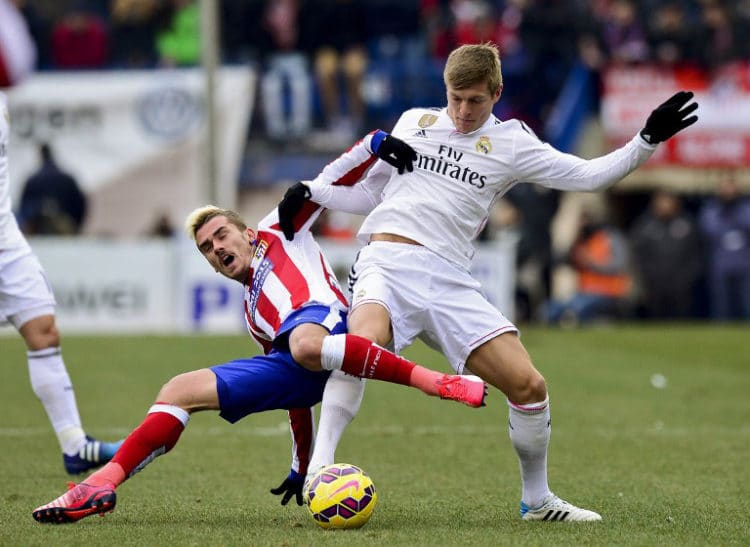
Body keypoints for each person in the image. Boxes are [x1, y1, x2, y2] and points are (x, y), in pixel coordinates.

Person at [278, 43, 698, 521]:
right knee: (363, 343)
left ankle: (537, 501)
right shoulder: (414, 122)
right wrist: (313, 192)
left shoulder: (514, 143)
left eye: (475, 100)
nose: (462, 110)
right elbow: (370, 193)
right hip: (386, 261)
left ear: (496, 93)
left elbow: (589, 176)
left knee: (529, 385)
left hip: (450, 280)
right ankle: (320, 467)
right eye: (455, 98)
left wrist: (646, 139)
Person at [32, 131, 486, 524]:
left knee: (307, 343)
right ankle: (99, 485)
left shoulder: (277, 229)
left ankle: (437, 382)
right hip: (303, 356)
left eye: (221, 236)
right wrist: (300, 463)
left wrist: (373, 144)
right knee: (177, 389)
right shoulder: (253, 313)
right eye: (207, 249)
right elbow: (294, 399)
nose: (216, 248)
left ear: (246, 232)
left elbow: (328, 181)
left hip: (326, 323)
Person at [1, 0, 120, 477]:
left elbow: (17, 66)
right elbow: (18, 58)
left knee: (43, 331)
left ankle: (74, 444)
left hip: (3, 231)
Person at [545, 211, 632, 326]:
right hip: (584, 292)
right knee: (550, 309)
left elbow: (619, 265)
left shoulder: (610, 238)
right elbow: (565, 262)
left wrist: (591, 263)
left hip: (608, 292)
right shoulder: (581, 241)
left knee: (578, 307)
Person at [629, 190, 703, 319]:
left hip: (681, 283)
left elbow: (697, 253)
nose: (664, 205)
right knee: (657, 316)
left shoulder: (687, 224)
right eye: (661, 202)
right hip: (654, 282)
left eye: (668, 201)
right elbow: (637, 254)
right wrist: (647, 275)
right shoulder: (645, 226)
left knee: (682, 316)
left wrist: (688, 277)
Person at [698, 175, 750, 320]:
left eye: (731, 187)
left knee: (746, 305)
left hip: (745, 265)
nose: (728, 191)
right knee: (722, 307)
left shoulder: (745, 209)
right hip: (720, 266)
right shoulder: (712, 211)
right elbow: (708, 231)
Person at [18, 142, 88, 235]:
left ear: (40, 155)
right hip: (65, 228)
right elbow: (81, 203)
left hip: (38, 229)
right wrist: (76, 225)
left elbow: (23, 208)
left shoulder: (33, 180)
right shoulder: (67, 179)